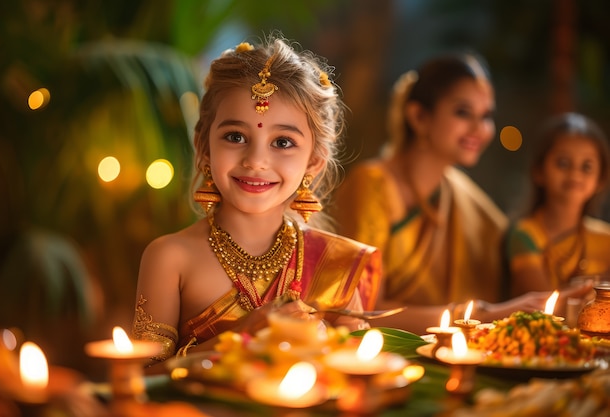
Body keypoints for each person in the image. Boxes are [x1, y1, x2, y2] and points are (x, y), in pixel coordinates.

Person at [131, 33, 381, 367]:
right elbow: (142, 381)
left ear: (313, 162)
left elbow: (357, 374)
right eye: (236, 137)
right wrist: (241, 339)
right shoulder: (169, 258)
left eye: (282, 142)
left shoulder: (335, 267)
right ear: (204, 146)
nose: (256, 160)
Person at [332, 52, 589, 335]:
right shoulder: (373, 186)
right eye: (463, 113)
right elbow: (364, 312)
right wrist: (487, 315)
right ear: (419, 117)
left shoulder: (460, 195)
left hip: (453, 348)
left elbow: (513, 244)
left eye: (486, 116)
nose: (479, 129)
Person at [506, 112, 610, 296]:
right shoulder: (525, 236)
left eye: (586, 166)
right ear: (539, 171)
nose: (575, 175)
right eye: (563, 163)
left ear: (600, 179)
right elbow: (544, 307)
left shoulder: (604, 240)